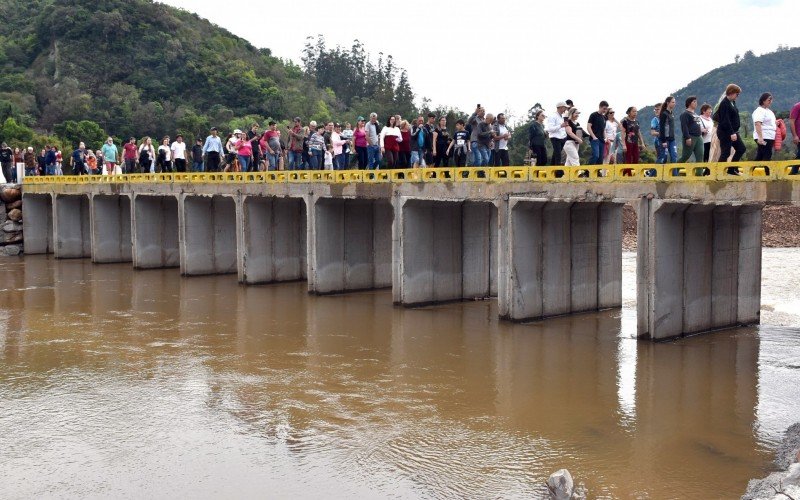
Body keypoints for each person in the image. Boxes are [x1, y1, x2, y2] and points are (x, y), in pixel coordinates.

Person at [716, 83, 747, 169]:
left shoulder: (732, 102)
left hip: (733, 131)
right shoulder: (724, 104)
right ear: (732, 92)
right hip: (725, 132)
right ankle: (718, 171)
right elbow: (725, 120)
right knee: (726, 152)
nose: (738, 96)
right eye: (737, 94)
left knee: (741, 148)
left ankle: (732, 169)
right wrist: (731, 133)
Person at [678, 96, 704, 167]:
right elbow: (684, 126)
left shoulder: (695, 114)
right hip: (690, 137)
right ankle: (674, 171)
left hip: (699, 137)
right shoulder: (685, 114)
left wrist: (702, 131)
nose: (696, 103)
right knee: (686, 156)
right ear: (689, 103)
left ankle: (699, 175)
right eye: (694, 101)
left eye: (696, 101)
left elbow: (697, 125)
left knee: (700, 156)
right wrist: (687, 137)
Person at [753, 92, 777, 162]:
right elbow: (757, 123)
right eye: (769, 100)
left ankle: (751, 171)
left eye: (771, 100)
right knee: (767, 154)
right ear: (763, 100)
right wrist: (760, 137)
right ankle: (767, 172)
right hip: (764, 137)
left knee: (760, 155)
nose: (770, 102)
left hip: (770, 136)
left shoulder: (769, 111)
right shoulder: (759, 111)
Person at [546, 102, 569, 167]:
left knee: (556, 155)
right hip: (555, 138)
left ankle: (551, 170)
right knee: (558, 156)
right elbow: (550, 129)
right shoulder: (553, 116)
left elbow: (562, 127)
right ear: (560, 107)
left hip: (562, 138)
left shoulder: (562, 116)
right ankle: (558, 173)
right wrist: (560, 126)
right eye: (565, 107)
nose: (565, 109)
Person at [659, 97, 678, 170]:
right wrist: (663, 141)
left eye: (674, 102)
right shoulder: (664, 114)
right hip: (665, 139)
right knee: (663, 158)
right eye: (673, 102)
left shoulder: (671, 113)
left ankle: (675, 176)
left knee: (674, 156)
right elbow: (662, 128)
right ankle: (652, 175)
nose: (674, 104)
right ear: (668, 103)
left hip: (672, 139)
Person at [790, 100, 800, 174]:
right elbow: (791, 121)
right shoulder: (797, 106)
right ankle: (793, 172)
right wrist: (795, 135)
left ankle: (793, 172)